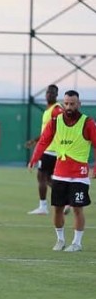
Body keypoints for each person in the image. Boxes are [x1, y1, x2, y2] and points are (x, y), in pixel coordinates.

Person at [28, 90, 96, 252]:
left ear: (79, 104)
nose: (69, 107)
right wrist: (34, 159)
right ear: (63, 103)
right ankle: (60, 240)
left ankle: (77, 243)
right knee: (58, 208)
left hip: (79, 175)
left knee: (77, 208)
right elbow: (44, 141)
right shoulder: (55, 121)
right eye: (66, 103)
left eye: (72, 103)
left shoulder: (88, 123)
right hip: (60, 173)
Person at [25, 84, 64, 215]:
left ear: (56, 95)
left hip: (50, 150)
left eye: (52, 93)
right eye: (48, 92)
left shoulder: (57, 109)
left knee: (41, 177)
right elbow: (46, 132)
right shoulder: (48, 110)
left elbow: (60, 129)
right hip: (49, 149)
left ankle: (43, 207)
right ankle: (65, 199)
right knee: (47, 178)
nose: (49, 95)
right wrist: (35, 141)